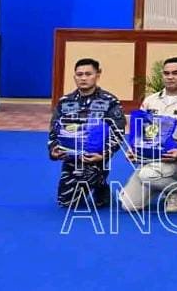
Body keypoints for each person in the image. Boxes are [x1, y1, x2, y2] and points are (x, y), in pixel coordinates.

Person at [120, 57, 177, 213]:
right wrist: (133, 150)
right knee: (128, 205)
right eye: (166, 73)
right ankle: (165, 182)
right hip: (151, 157)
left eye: (175, 73)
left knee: (147, 175)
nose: (170, 77)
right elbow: (139, 131)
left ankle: (176, 190)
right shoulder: (150, 100)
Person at [47, 58, 126, 208]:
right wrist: (53, 149)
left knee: (89, 173)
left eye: (88, 74)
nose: (83, 78)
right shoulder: (65, 101)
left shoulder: (109, 101)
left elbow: (118, 132)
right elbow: (54, 129)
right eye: (79, 74)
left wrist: (104, 154)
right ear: (74, 77)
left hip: (95, 157)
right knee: (67, 202)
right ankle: (99, 183)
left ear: (98, 75)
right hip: (71, 156)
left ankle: (99, 181)